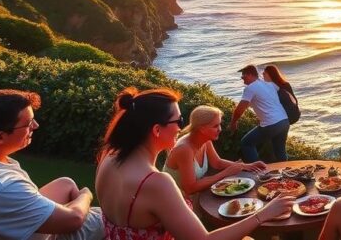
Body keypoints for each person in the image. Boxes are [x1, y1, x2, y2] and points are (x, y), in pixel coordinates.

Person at [96, 87, 296, 240]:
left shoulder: (109, 156)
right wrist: (263, 214)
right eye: (179, 121)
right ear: (157, 130)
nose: (182, 128)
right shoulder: (155, 182)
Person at [0, 89, 104, 240]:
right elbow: (74, 220)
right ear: (0, 137)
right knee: (107, 221)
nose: (36, 126)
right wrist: (86, 195)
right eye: (28, 123)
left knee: (66, 184)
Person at [164, 105, 267, 197]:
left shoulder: (204, 139)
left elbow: (217, 163)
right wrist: (225, 173)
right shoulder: (185, 149)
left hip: (195, 196)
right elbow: (190, 188)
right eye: (215, 126)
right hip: (177, 201)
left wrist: (246, 166)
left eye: (219, 125)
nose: (220, 129)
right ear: (202, 129)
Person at [228, 64, 290, 163]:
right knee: (280, 152)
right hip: (284, 121)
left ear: (249, 75)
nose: (242, 79)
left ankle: (258, 171)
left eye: (243, 76)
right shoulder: (270, 85)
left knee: (247, 143)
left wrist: (233, 123)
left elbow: (240, 109)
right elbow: (265, 100)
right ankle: (286, 173)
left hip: (271, 124)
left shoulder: (250, 88)